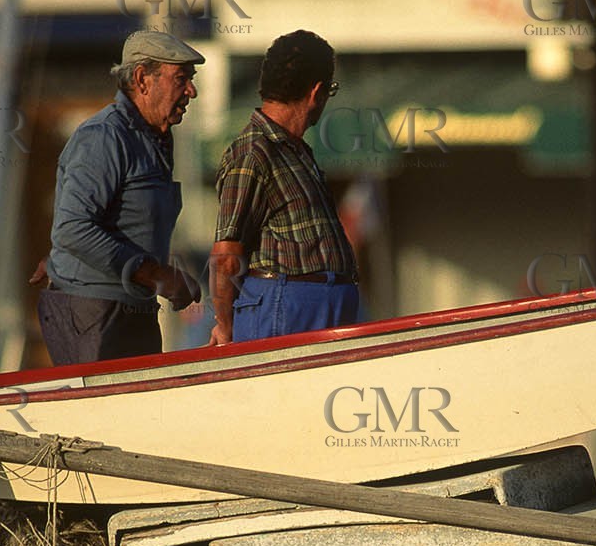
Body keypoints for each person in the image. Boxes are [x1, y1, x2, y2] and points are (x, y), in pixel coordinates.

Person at [37, 30, 203, 365]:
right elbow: (72, 229)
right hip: (96, 313)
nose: (192, 91)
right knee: (102, 414)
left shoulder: (153, 139)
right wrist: (157, 275)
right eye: (181, 79)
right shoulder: (103, 137)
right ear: (142, 80)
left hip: (129, 310)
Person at [209, 30, 359, 345]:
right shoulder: (253, 153)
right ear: (316, 91)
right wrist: (224, 326)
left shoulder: (295, 150)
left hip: (314, 307)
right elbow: (226, 255)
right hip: (285, 309)